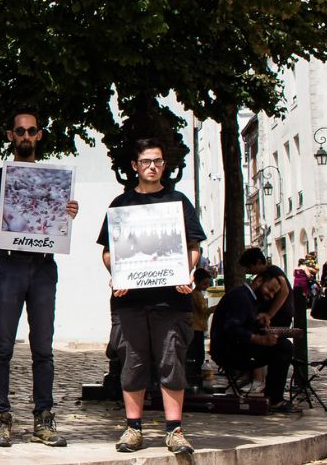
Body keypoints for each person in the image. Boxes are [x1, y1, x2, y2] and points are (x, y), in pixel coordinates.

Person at [0, 104, 78, 447]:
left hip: (44, 265)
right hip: (11, 264)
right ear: (10, 136)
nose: (26, 136)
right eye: (20, 131)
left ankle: (44, 420)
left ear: (40, 135)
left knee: (43, 348)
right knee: (2, 346)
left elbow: (56, 224)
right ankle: (1, 419)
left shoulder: (54, 178)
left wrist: (69, 212)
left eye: (32, 131)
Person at [98, 138, 205, 455]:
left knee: (172, 362)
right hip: (129, 300)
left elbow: (193, 247)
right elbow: (108, 253)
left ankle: (175, 431)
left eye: (157, 161)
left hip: (172, 300)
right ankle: (133, 430)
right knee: (133, 363)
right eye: (146, 161)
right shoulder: (120, 205)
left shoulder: (178, 203)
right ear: (135, 166)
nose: (152, 166)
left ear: (164, 164)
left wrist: (188, 273)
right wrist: (116, 274)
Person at [209, 266, 296, 413]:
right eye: (270, 289)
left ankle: (273, 396)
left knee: (282, 346)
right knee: (284, 347)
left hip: (233, 347)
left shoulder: (249, 298)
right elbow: (232, 328)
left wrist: (258, 322)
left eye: (274, 293)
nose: (271, 295)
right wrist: (260, 340)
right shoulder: (241, 297)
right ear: (259, 281)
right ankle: (274, 398)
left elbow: (242, 323)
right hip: (229, 351)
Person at [239, 248, 291, 327]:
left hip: (279, 318)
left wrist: (269, 315)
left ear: (259, 262)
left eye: (249, 267)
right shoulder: (260, 277)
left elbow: (285, 291)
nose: (247, 271)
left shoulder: (273, 270)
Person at [186, 268, 215, 386]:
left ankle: (195, 373)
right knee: (198, 354)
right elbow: (204, 311)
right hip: (196, 327)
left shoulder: (196, 294)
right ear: (197, 282)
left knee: (197, 353)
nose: (207, 286)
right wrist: (215, 308)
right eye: (205, 284)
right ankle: (196, 374)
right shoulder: (197, 295)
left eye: (208, 284)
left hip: (197, 327)